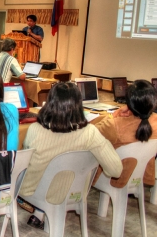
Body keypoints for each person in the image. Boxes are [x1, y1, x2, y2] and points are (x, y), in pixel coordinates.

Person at [19, 82, 122, 229]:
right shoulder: (90, 133)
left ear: (49, 103)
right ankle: (40, 214)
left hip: (35, 193)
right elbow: (115, 170)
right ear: (78, 105)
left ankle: (39, 213)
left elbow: (27, 164)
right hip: (74, 193)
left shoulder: (34, 129)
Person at [95, 80, 157, 187]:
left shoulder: (114, 125)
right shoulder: (155, 121)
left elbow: (90, 135)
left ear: (128, 102)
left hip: (113, 178)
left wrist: (112, 116)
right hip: (140, 176)